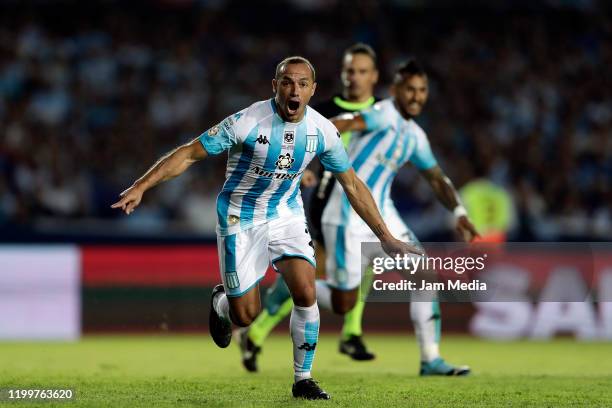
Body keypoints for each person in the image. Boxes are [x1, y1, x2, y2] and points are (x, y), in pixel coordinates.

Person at [111, 56, 420, 400]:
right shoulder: (247, 122)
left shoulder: (322, 131)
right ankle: (222, 304)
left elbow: (352, 184)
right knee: (245, 314)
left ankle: (303, 379)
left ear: (313, 90)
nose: (295, 89)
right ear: (275, 86)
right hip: (239, 219)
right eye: (287, 82)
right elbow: (189, 153)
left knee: (305, 290)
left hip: (285, 215)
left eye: (303, 84)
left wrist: (385, 237)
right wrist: (141, 185)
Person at [319, 58, 479, 376]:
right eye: (410, 90)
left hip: (384, 214)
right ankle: (298, 285)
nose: (417, 96)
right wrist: (310, 144)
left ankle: (430, 359)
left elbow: (436, 177)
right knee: (344, 304)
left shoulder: (415, 135)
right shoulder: (383, 114)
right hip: (347, 214)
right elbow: (344, 123)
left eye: (422, 91)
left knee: (425, 275)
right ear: (395, 90)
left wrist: (459, 211)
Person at [237, 44, 381, 371]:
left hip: (362, 202)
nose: (354, 78)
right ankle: (258, 331)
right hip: (328, 204)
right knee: (308, 274)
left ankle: (351, 331)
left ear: (374, 76)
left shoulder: (383, 113)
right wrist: (306, 172)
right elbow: (301, 146)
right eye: (349, 71)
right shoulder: (323, 111)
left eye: (361, 71)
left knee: (368, 260)